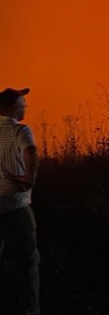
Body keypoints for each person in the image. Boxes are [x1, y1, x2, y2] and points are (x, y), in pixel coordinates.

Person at [0, 87, 40, 315]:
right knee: (27, 262)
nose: (26, 105)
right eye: (23, 102)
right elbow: (31, 153)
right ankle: (29, 310)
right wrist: (30, 178)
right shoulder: (21, 130)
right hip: (15, 206)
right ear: (14, 106)